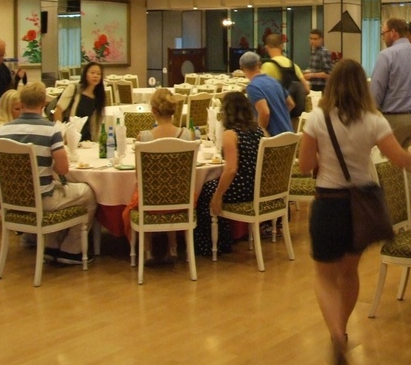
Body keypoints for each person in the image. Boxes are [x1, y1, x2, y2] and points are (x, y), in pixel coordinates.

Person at [298, 59, 411, 365]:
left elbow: (304, 166)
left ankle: (336, 331)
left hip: (328, 202)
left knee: (324, 276)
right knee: (349, 272)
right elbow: (399, 160)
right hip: (360, 207)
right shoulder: (374, 120)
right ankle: (343, 324)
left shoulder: (316, 119)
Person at [0, 82, 97, 264]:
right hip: (42, 199)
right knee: (87, 192)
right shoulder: (50, 129)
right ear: (44, 104)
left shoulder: (2, 130)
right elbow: (63, 169)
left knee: (62, 192)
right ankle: (72, 248)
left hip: (11, 199)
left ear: (21, 103)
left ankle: (52, 243)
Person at [122, 88, 193, 251]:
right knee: (172, 187)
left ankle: (147, 248)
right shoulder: (188, 136)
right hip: (181, 199)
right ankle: (174, 245)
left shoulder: (144, 137)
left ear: (153, 111)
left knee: (143, 191)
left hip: (151, 201)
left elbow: (140, 176)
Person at [194, 92, 264, 256]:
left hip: (241, 189)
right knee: (212, 186)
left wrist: (218, 196)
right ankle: (225, 239)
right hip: (257, 187)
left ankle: (211, 244)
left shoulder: (230, 134)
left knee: (206, 191)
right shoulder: (259, 130)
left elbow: (231, 169)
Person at [370, 17, 411, 148]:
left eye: (383, 33)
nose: (383, 37)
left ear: (393, 32)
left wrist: (372, 114)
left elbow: (376, 92)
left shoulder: (386, 55)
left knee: (388, 164)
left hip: (394, 120)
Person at [239, 51, 292, 136]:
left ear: (242, 68)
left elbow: (265, 112)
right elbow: (291, 104)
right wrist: (279, 115)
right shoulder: (275, 81)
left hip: (272, 138)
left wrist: (260, 132)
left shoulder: (253, 87)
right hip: (289, 134)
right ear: (259, 65)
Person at [53, 62, 106, 142]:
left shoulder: (98, 96)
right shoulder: (73, 89)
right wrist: (61, 135)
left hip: (86, 139)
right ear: (85, 75)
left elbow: (95, 123)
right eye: (92, 73)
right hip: (68, 136)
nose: (95, 76)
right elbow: (58, 111)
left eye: (99, 74)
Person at [260, 33, 309, 117]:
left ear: (266, 47)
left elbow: (262, 91)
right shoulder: (293, 65)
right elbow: (307, 89)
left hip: (278, 113)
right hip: (295, 114)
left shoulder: (267, 66)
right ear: (282, 46)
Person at [304, 29, 333, 93]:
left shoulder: (323, 52)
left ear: (321, 40)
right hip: (313, 85)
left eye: (315, 39)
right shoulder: (314, 51)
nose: (312, 41)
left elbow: (328, 73)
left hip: (321, 86)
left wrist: (311, 75)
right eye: (311, 38)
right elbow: (315, 69)